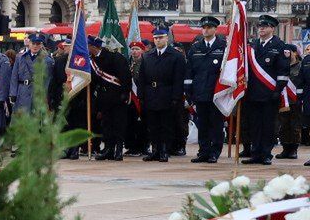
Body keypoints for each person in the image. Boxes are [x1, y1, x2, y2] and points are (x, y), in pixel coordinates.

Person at [243, 14, 287, 166]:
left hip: (269, 93)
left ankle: (266, 154)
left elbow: (283, 72)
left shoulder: (279, 46)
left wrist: (277, 90)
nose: (260, 28)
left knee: (268, 126)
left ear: (272, 28)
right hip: (253, 93)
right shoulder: (253, 46)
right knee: (254, 125)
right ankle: (255, 153)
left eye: (264, 26)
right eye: (259, 26)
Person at [138, 24, 186, 162]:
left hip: (167, 93)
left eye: (160, 37)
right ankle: (155, 150)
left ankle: (164, 150)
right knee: (152, 125)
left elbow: (179, 79)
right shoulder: (147, 56)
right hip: (151, 94)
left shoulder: (176, 56)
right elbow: (142, 78)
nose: (158, 40)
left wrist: (176, 97)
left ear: (167, 38)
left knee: (166, 125)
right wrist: (141, 95)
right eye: (155, 38)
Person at [186, 16, 227, 164]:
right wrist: (189, 92)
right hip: (200, 92)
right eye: (204, 27)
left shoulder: (223, 47)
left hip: (216, 94)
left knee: (216, 125)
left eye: (209, 27)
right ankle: (203, 151)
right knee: (202, 125)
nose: (206, 30)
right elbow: (190, 72)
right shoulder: (196, 47)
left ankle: (214, 152)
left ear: (215, 29)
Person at [92, 36, 132, 160]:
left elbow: (125, 76)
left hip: (117, 96)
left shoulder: (115, 58)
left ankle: (119, 149)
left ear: (94, 47)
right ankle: (109, 149)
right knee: (107, 124)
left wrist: (125, 93)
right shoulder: (92, 60)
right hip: (104, 98)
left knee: (118, 124)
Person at [279, 43, 302, 161]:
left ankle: (293, 149)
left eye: (289, 52)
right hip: (283, 100)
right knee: (283, 125)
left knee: (295, 125)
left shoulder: (300, 66)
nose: (287, 54)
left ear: (295, 53)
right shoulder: (282, 66)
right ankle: (285, 148)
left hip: (295, 100)